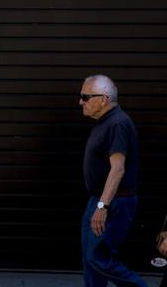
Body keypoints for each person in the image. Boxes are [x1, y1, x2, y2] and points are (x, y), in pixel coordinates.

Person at [79, 74, 147, 287]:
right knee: (90, 260)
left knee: (98, 257)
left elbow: (117, 169)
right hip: (99, 200)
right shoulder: (104, 122)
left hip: (113, 203)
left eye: (85, 96)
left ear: (103, 99)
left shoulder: (118, 124)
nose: (80, 101)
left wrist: (102, 206)